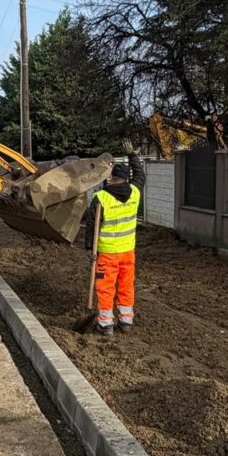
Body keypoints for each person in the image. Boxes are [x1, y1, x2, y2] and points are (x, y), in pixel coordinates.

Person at [84, 144, 145, 337]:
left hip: (107, 252)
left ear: (111, 178)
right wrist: (132, 154)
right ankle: (126, 320)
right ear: (126, 179)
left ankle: (106, 324)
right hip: (128, 251)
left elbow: (92, 225)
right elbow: (140, 175)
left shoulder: (101, 198)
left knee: (105, 287)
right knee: (126, 285)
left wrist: (89, 249)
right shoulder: (135, 192)